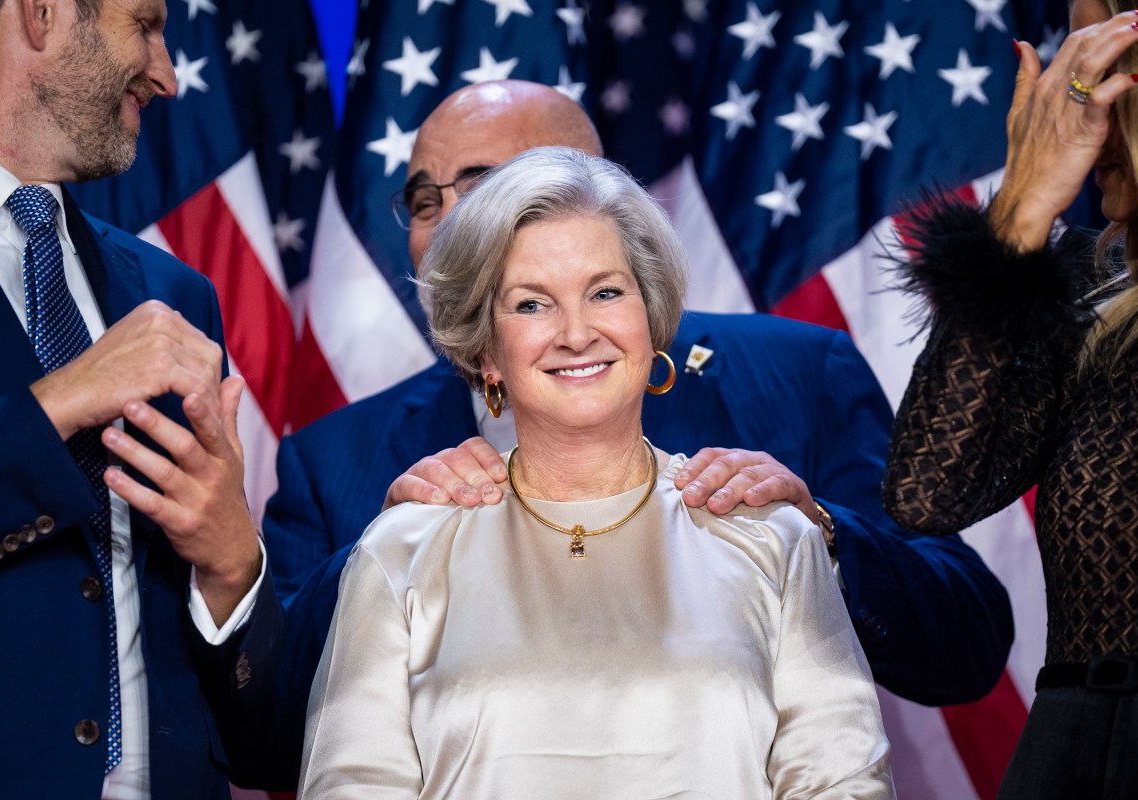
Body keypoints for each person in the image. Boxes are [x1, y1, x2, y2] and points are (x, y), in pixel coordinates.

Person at [263, 79, 1012, 714]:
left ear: (601, 203)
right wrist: (377, 561)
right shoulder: (332, 463)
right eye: (426, 201)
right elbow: (265, 739)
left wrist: (821, 536)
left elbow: (967, 644)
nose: (452, 225)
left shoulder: (800, 376)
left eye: (492, 188)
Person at [298, 145, 894, 798]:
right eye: (531, 305)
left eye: (605, 292)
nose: (576, 332)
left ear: (650, 317)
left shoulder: (772, 537)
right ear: (486, 353)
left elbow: (845, 784)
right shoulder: (401, 549)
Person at [0, 1, 279, 797]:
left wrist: (231, 564)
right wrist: (65, 400)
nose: (169, 75)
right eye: (144, 25)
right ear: (42, 15)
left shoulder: (176, 294)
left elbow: (253, 708)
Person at [884, 2, 1138, 797]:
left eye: (1100, 69)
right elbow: (925, 494)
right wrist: (1019, 209)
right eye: (1065, 69)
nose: (1073, 109)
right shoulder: (1093, 284)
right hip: (1071, 757)